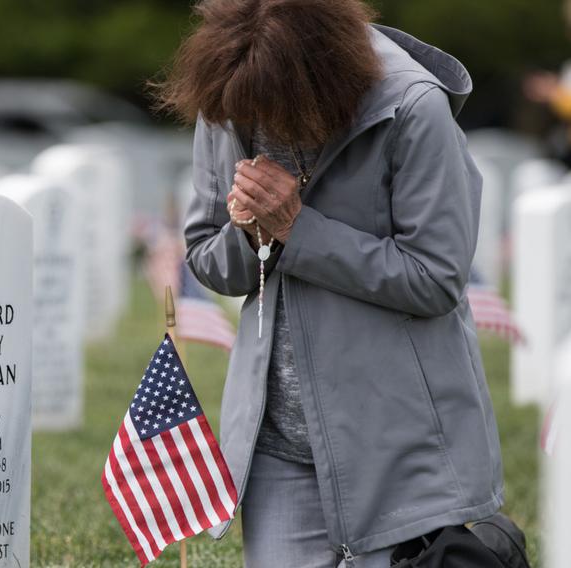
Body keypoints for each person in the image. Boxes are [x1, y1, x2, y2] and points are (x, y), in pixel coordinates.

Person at [154, 1, 505, 566]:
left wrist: (296, 229)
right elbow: (207, 258)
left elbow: (435, 278)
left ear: (319, 78)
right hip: (276, 445)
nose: (257, 125)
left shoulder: (413, 108)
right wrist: (247, 233)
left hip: (392, 445)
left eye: (275, 111)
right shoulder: (230, 93)